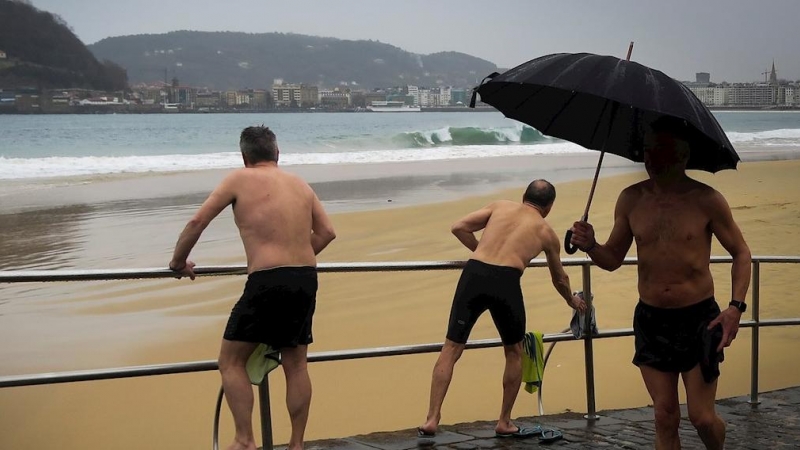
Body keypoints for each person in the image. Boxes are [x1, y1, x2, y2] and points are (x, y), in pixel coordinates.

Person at [570, 117, 751, 450]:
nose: (652, 158)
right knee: (664, 416)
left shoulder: (707, 199)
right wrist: (591, 245)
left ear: (683, 155)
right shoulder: (631, 199)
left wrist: (735, 308)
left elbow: (741, 252)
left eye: (662, 150)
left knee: (702, 418)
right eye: (647, 150)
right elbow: (612, 259)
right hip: (652, 320)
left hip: (700, 319)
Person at [169, 126, 336, 450]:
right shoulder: (299, 183)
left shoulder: (238, 179)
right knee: (296, 362)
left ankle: (245, 440)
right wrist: (293, 260)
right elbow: (327, 232)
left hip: (267, 280)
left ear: (244, 157)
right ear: (277, 154)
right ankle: (296, 444)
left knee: (231, 361)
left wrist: (178, 263)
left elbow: (196, 222)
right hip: (305, 277)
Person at [418, 179, 587, 438]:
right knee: (514, 352)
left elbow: (459, 227)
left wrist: (483, 253)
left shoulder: (500, 206)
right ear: (549, 206)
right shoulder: (546, 232)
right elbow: (560, 278)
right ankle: (504, 421)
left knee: (451, 348)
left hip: (474, 275)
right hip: (506, 281)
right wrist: (572, 301)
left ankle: (432, 418)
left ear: (523, 196)